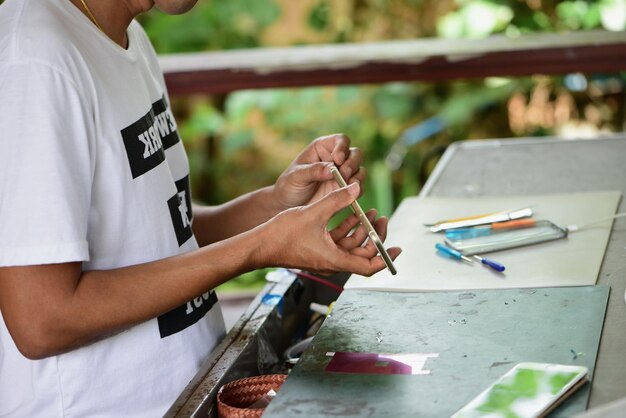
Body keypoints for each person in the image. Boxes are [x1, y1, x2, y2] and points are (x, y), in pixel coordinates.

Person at [0, 0, 401, 416]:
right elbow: (42, 320)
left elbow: (166, 232)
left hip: (190, 395)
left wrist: (275, 206)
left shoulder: (125, 35)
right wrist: (261, 246)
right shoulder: (36, 60)